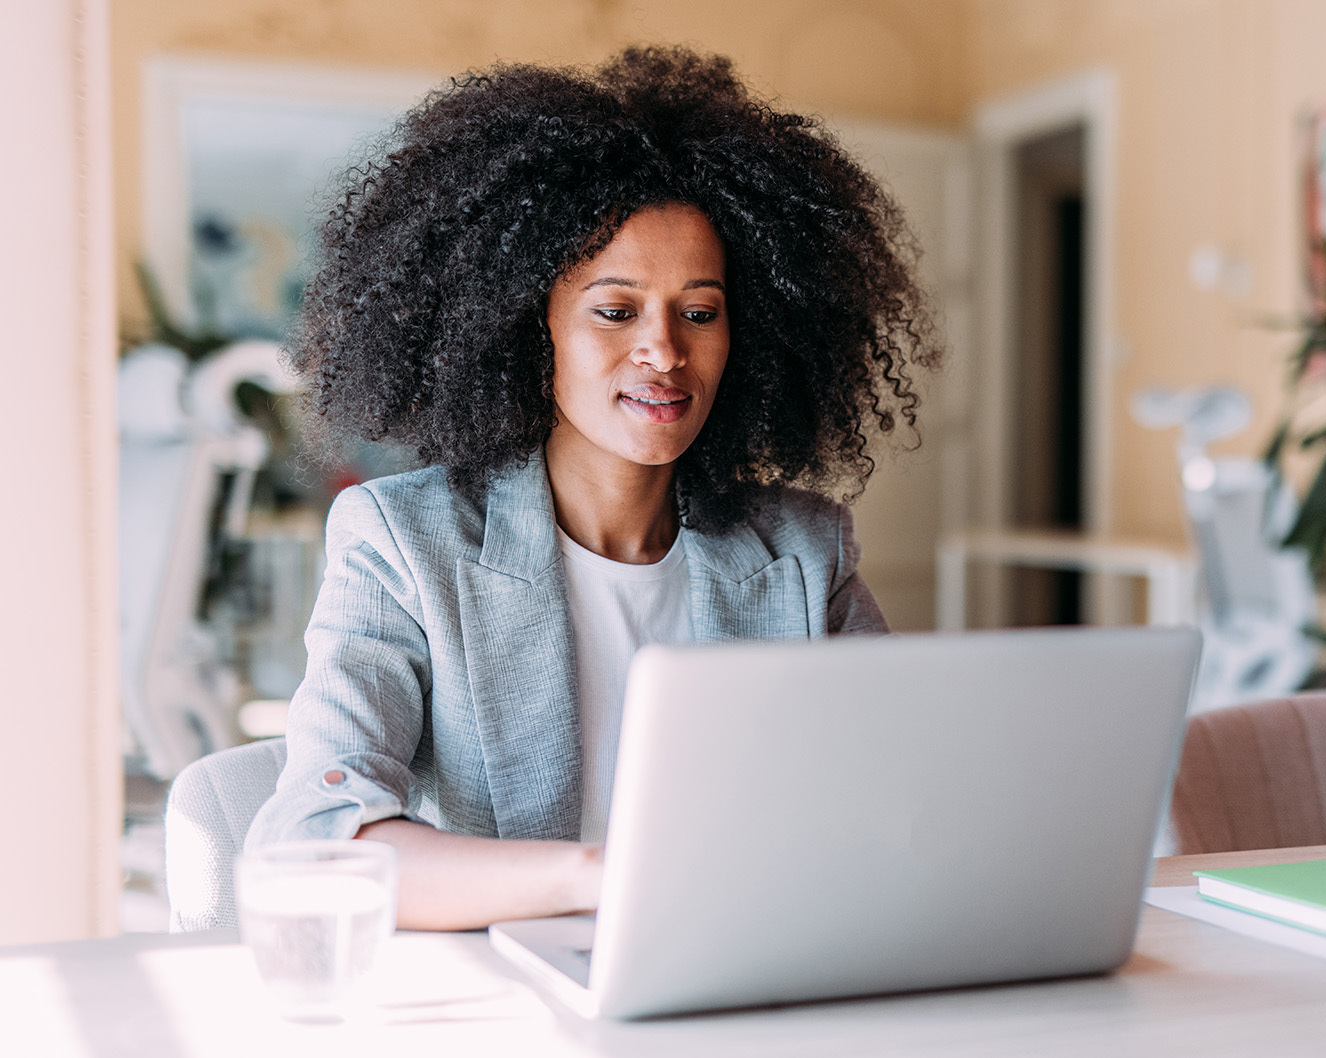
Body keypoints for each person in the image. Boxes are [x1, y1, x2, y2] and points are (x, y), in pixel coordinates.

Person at [243, 47, 936, 930]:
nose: (664, 350)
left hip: (757, 959)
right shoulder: (401, 541)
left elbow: (911, 791)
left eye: (699, 311)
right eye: (615, 311)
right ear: (530, 334)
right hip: (524, 987)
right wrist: (599, 877)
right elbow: (316, 838)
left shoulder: (803, 551)